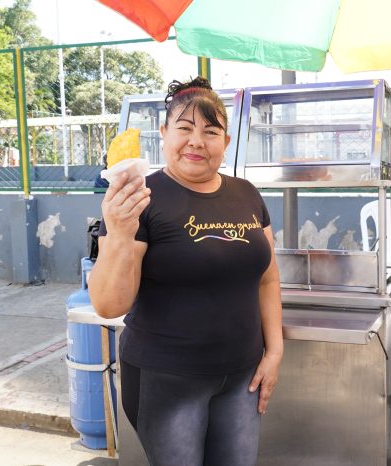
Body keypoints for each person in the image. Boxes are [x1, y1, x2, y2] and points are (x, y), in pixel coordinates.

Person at [88, 76, 283, 466]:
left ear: (226, 143)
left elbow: (268, 277)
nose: (197, 141)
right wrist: (121, 234)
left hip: (242, 375)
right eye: (185, 128)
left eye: (211, 131)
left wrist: (274, 350)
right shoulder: (138, 198)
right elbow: (109, 305)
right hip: (167, 379)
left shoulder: (247, 193)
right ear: (163, 134)